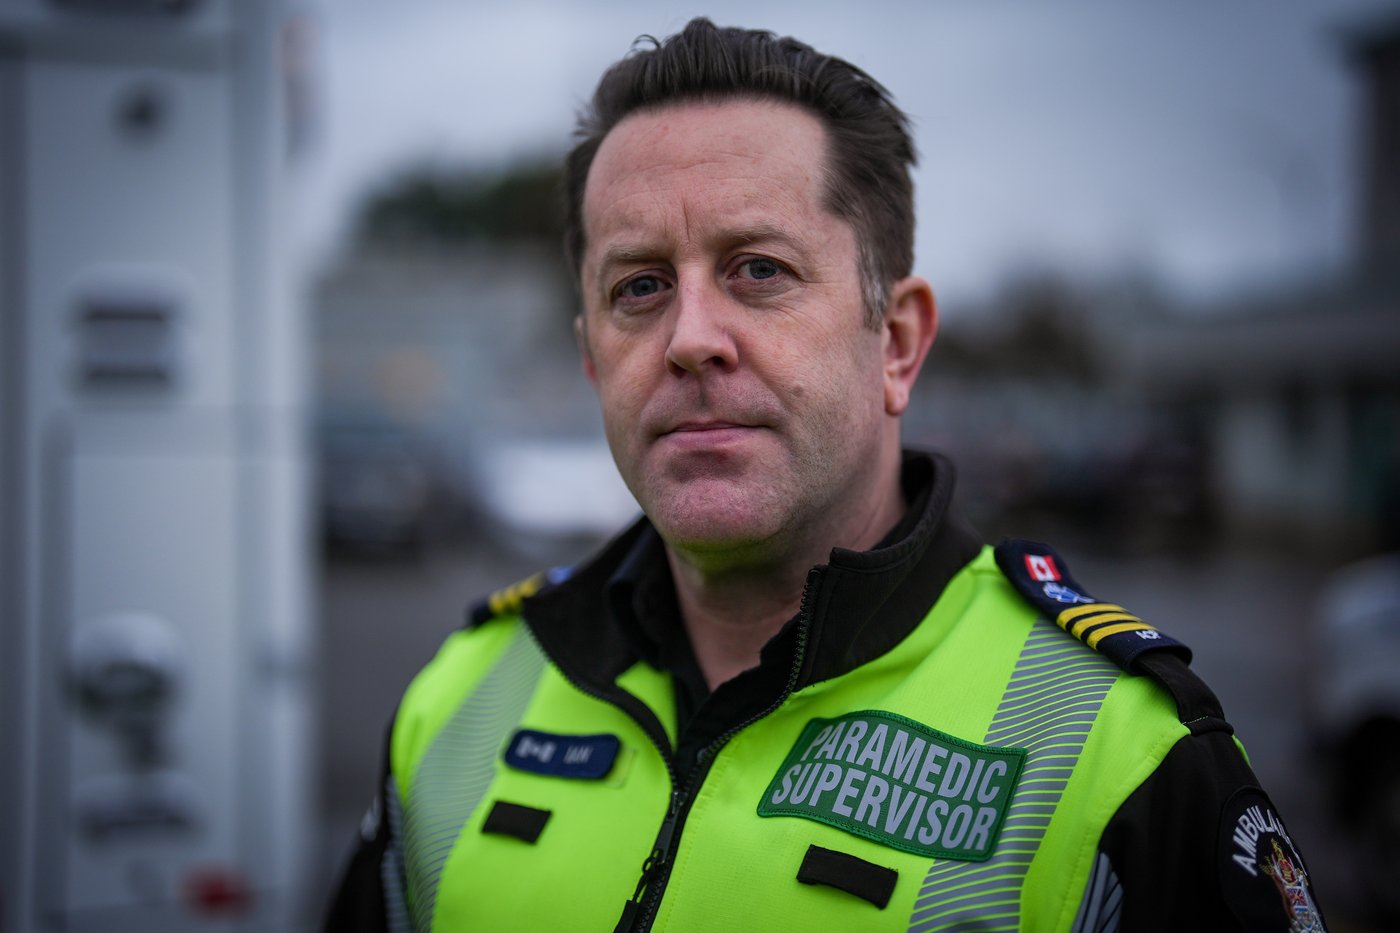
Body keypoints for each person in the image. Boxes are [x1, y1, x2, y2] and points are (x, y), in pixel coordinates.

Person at [325, 18, 1326, 932]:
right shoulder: (457, 705)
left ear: (894, 343)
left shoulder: (1118, 752)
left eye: (757, 269)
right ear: (591, 358)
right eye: (638, 287)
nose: (689, 340)